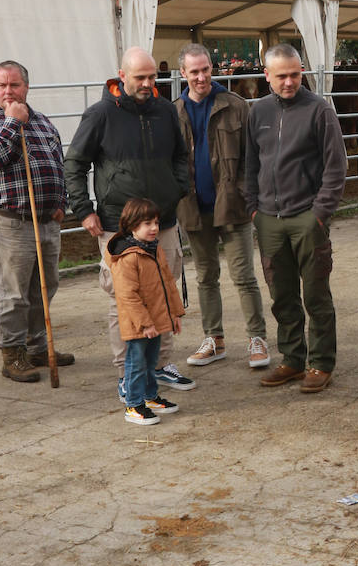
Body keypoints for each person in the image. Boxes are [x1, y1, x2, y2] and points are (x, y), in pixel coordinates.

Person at [65, 46, 193, 400]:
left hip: (163, 221)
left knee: (164, 292)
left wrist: (178, 188)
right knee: (124, 299)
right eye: (140, 77)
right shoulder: (101, 115)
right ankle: (128, 373)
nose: (148, 83)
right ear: (121, 76)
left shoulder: (165, 111)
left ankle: (160, 364)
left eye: (153, 77)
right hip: (117, 225)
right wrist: (84, 209)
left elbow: (181, 155)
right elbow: (74, 164)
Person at [245, 43, 347, 393]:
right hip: (269, 220)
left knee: (316, 293)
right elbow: (251, 164)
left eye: (295, 74)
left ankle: (320, 363)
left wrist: (320, 213)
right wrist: (254, 209)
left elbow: (336, 166)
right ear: (267, 76)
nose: (289, 82)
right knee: (282, 294)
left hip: (307, 218)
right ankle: (291, 359)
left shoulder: (319, 111)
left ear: (301, 71)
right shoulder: (257, 113)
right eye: (281, 76)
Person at [0, 59, 74, 382]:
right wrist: (12, 124)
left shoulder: (43, 123)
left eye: (14, 85)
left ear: (26, 87)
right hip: (11, 222)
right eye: (1, 86)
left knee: (45, 288)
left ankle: (37, 347)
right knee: (14, 293)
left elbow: (59, 164)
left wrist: (61, 202)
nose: (8, 91)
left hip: (47, 220)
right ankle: (12, 354)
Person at [174, 43, 270, 370]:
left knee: (243, 275)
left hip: (233, 205)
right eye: (194, 71)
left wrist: (245, 193)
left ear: (211, 68)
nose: (201, 77)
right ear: (183, 73)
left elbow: (252, 157)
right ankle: (213, 339)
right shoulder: (174, 112)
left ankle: (257, 339)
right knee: (205, 276)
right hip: (193, 207)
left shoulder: (236, 106)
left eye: (205, 69)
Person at [105, 197, 184, 426]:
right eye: (147, 223)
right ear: (132, 224)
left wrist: (175, 314)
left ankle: (150, 397)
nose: (155, 228)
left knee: (151, 362)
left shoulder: (154, 249)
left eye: (157, 223)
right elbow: (127, 295)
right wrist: (145, 323)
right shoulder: (127, 257)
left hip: (157, 320)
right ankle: (134, 404)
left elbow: (168, 283)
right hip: (139, 324)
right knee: (136, 363)